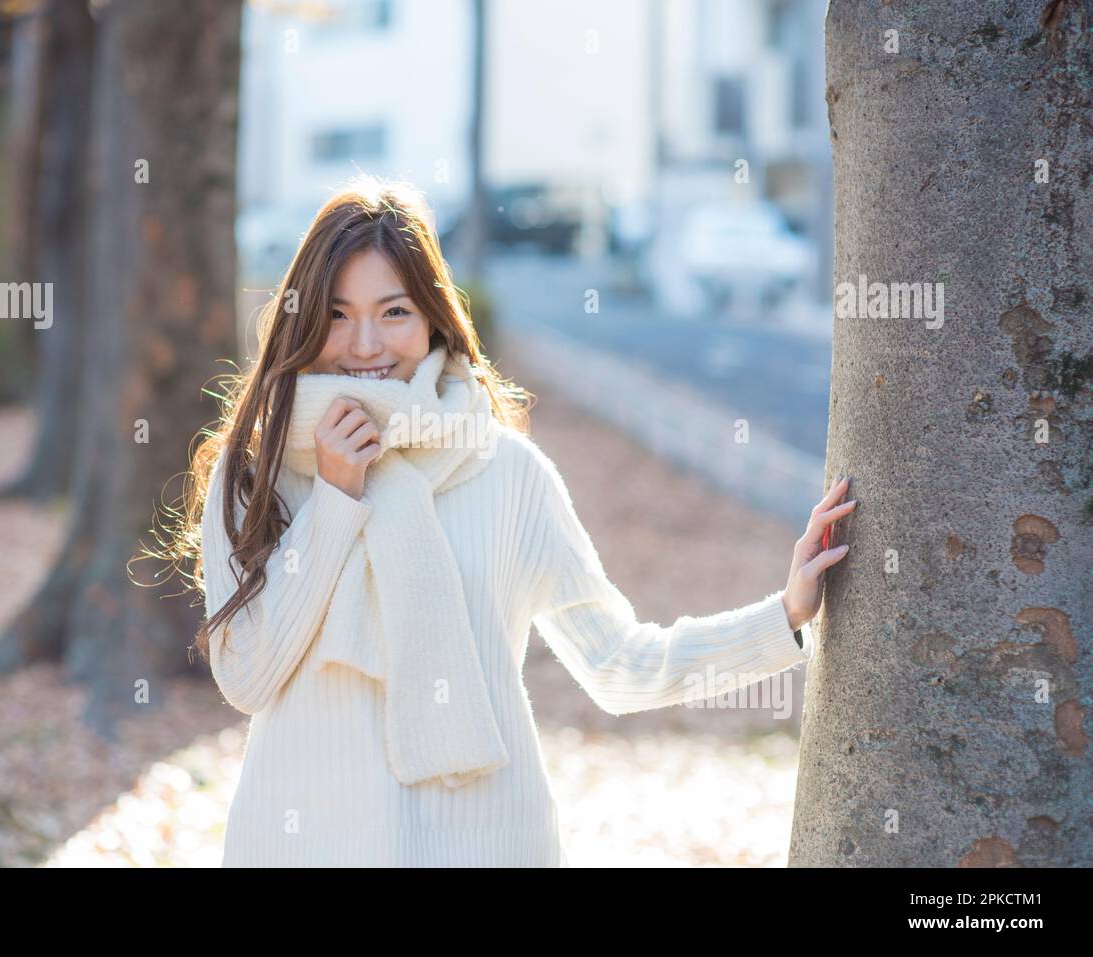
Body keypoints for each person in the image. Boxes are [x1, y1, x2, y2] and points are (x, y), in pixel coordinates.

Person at [182, 174, 853, 867]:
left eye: (394, 311)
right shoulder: (254, 470)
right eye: (338, 313)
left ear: (434, 319)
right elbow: (248, 678)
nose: (365, 344)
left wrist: (784, 617)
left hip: (482, 843)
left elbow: (619, 664)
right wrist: (334, 497)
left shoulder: (507, 472)